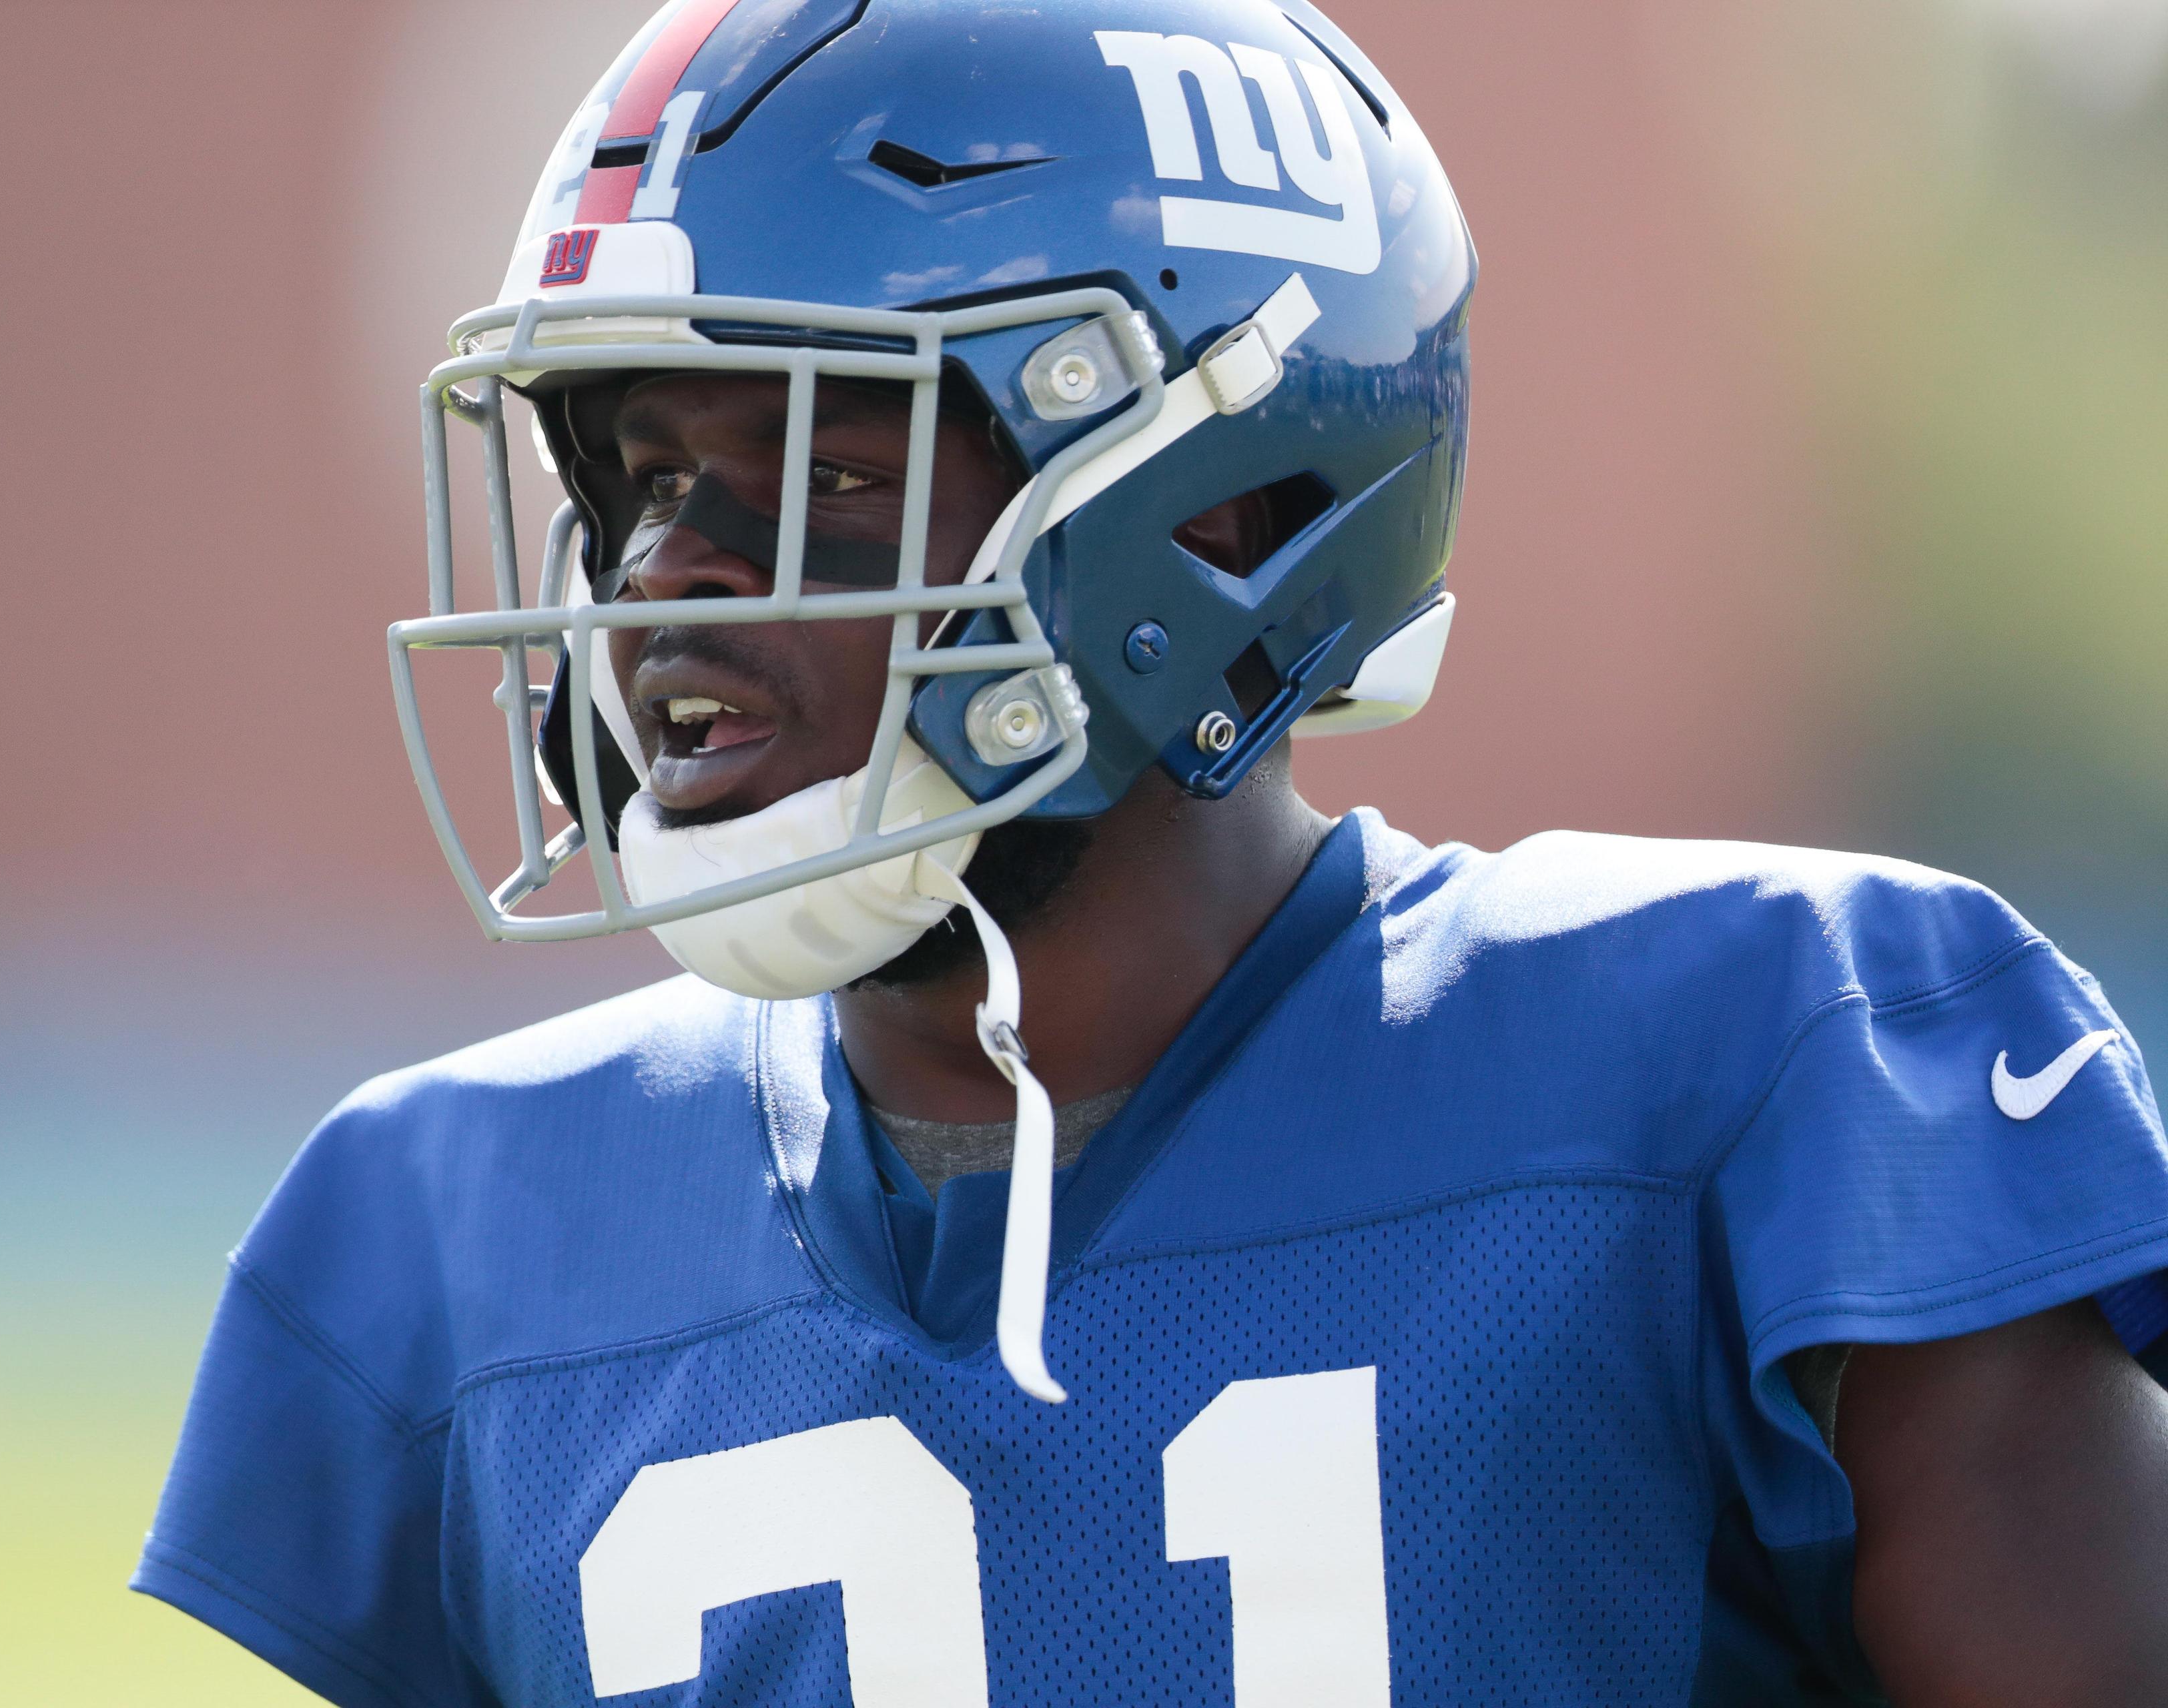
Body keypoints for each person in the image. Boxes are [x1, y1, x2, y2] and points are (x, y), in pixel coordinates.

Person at [135, 2, 2168, 1702]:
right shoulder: (451, 1238)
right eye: (645, 475)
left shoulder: (1765, 1074)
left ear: (1220, 513)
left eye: (834, 466)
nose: (668, 583)